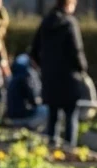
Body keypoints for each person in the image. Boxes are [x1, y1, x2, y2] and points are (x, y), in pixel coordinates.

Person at [30, 0, 88, 148]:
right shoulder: (70, 23)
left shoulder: (45, 23)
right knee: (71, 117)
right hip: (69, 78)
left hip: (50, 77)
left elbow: (34, 51)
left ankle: (51, 148)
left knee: (53, 116)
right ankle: (70, 152)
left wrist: (45, 67)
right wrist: (82, 69)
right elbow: (77, 50)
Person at [6, 54, 47, 131]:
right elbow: (32, 98)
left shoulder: (15, 75)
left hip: (12, 114)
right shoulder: (26, 75)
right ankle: (34, 130)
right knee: (46, 110)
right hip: (22, 114)